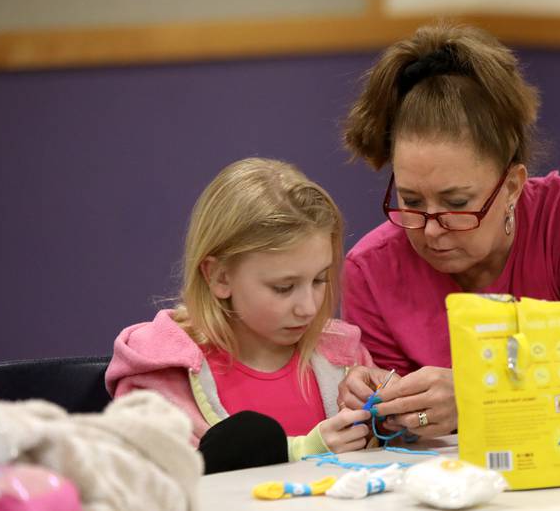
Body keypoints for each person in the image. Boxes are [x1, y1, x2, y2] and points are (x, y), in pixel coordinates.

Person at [338, 22, 560, 438]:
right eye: (412, 201)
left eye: (457, 204)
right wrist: (377, 406)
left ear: (512, 185)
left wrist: (476, 396)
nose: (432, 230)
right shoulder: (371, 269)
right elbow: (397, 432)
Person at [105, 158, 373, 472]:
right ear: (220, 277)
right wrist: (302, 450)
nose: (309, 308)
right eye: (284, 287)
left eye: (319, 280)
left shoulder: (343, 357)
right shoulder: (160, 376)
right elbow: (151, 482)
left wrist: (391, 421)